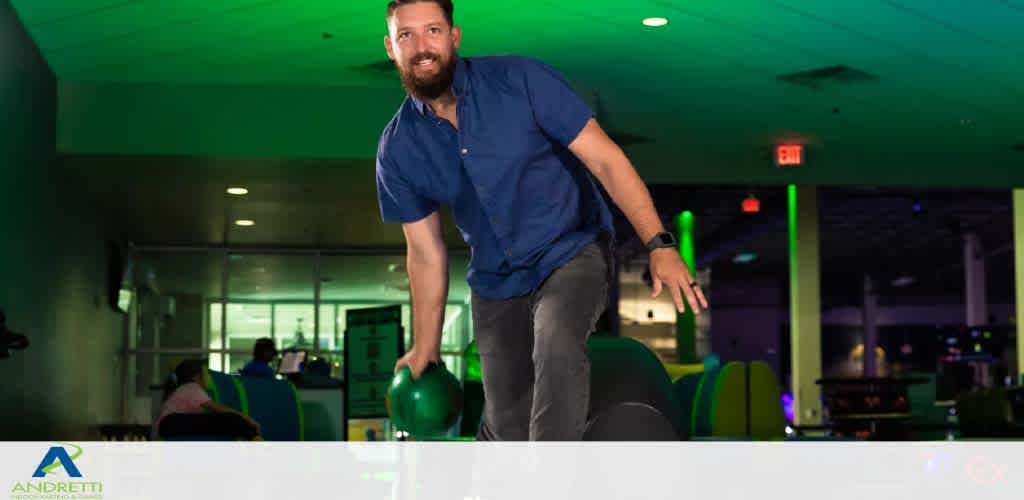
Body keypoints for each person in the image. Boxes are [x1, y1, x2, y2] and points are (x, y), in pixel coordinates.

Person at [376, 0, 709, 441]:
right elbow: (425, 253)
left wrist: (660, 244)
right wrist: (426, 346)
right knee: (507, 421)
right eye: (406, 35)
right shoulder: (398, 148)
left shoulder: (522, 81)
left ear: (454, 37)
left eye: (432, 31)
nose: (421, 46)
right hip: (496, 280)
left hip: (570, 250)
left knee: (555, 340)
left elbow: (608, 161)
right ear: (390, 47)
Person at [154, 359, 262, 441]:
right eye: (205, 374)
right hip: (171, 423)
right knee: (228, 419)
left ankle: (246, 436)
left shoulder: (184, 389)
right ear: (197, 376)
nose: (208, 378)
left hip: (169, 424)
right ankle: (254, 437)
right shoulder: (192, 387)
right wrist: (247, 419)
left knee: (223, 421)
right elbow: (219, 408)